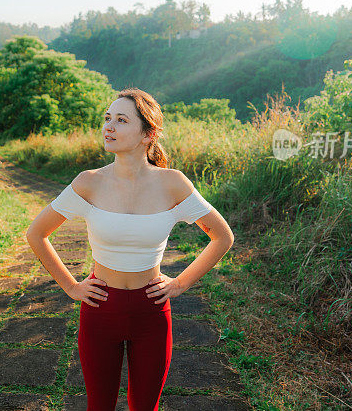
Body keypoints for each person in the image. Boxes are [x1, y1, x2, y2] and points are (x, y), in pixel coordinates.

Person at [25, 87, 234, 411]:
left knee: (145, 407)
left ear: (148, 133)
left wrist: (180, 283)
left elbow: (222, 236)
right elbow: (37, 233)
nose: (109, 126)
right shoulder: (88, 182)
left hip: (150, 311)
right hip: (100, 308)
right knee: (100, 406)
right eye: (108, 118)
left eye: (121, 120)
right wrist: (71, 286)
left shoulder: (173, 183)